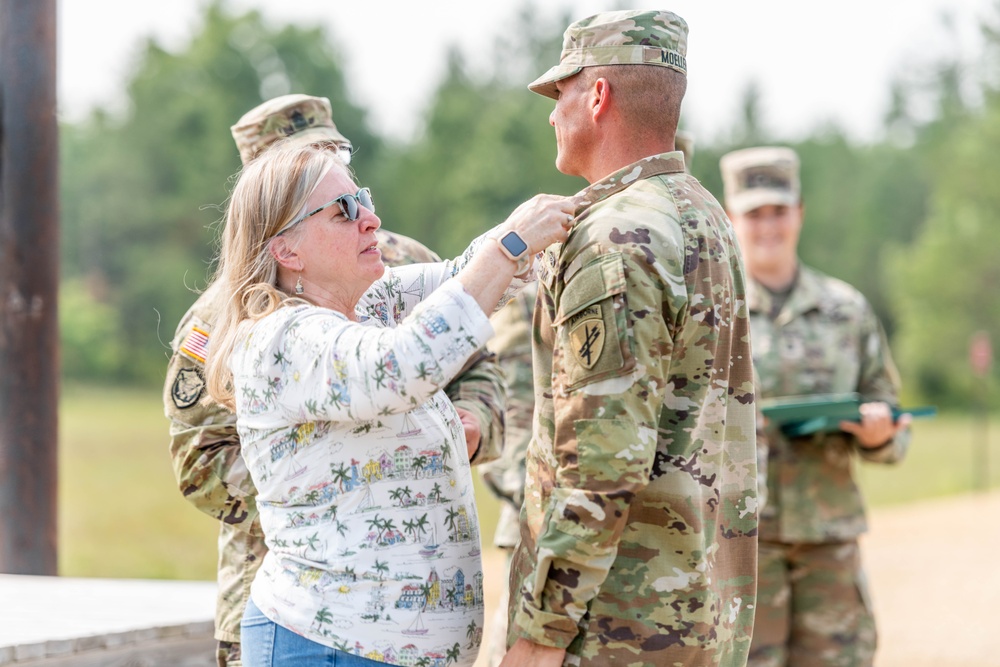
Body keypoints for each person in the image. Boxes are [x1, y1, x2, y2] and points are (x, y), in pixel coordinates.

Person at [202, 142, 578, 667]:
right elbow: (402, 365)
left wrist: (534, 229)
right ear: (286, 250)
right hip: (326, 649)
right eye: (344, 211)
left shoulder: (366, 301)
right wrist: (513, 242)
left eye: (364, 199)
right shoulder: (280, 338)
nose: (371, 220)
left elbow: (467, 277)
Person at [164, 94, 507, 667]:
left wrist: (464, 431)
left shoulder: (391, 263)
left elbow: (476, 365)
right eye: (330, 198)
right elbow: (199, 459)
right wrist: (335, 481)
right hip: (300, 592)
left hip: (399, 614)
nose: (362, 215)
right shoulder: (233, 317)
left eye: (348, 183)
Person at [502, 10, 759, 667]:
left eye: (560, 92)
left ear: (597, 96)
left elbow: (601, 463)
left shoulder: (616, 234)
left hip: (616, 627)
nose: (551, 112)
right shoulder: (703, 213)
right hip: (696, 613)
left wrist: (540, 634)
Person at [479, 130, 699, 667]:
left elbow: (612, 456)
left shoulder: (654, 252)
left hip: (618, 574)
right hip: (565, 545)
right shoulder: (589, 256)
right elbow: (517, 416)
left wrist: (542, 629)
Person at [719, 146, 911, 667]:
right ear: (730, 216)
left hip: (828, 544)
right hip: (741, 545)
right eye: (753, 214)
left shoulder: (846, 310)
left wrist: (882, 435)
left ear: (800, 212)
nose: (767, 226)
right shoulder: (711, 312)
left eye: (778, 211)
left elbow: (889, 410)